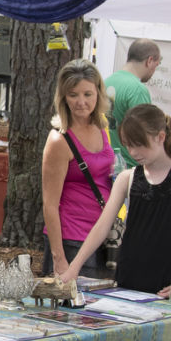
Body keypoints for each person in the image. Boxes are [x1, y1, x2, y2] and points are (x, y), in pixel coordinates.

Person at [58, 104, 171, 298]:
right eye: (128, 145)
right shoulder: (127, 178)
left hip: (169, 281)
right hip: (129, 277)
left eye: (139, 145)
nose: (133, 152)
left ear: (160, 137)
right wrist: (74, 267)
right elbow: (102, 226)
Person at [40, 59, 116, 279]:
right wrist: (58, 258)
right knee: (70, 312)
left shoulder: (101, 125)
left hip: (104, 236)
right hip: (72, 239)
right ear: (63, 97)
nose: (81, 102)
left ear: (98, 93)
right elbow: (50, 205)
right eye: (73, 94)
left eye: (87, 94)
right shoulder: (59, 139)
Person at [102, 40, 161, 164]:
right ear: (149, 61)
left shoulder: (106, 82)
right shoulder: (137, 89)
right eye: (156, 65)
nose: (153, 71)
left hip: (105, 162)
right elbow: (145, 133)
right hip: (129, 165)